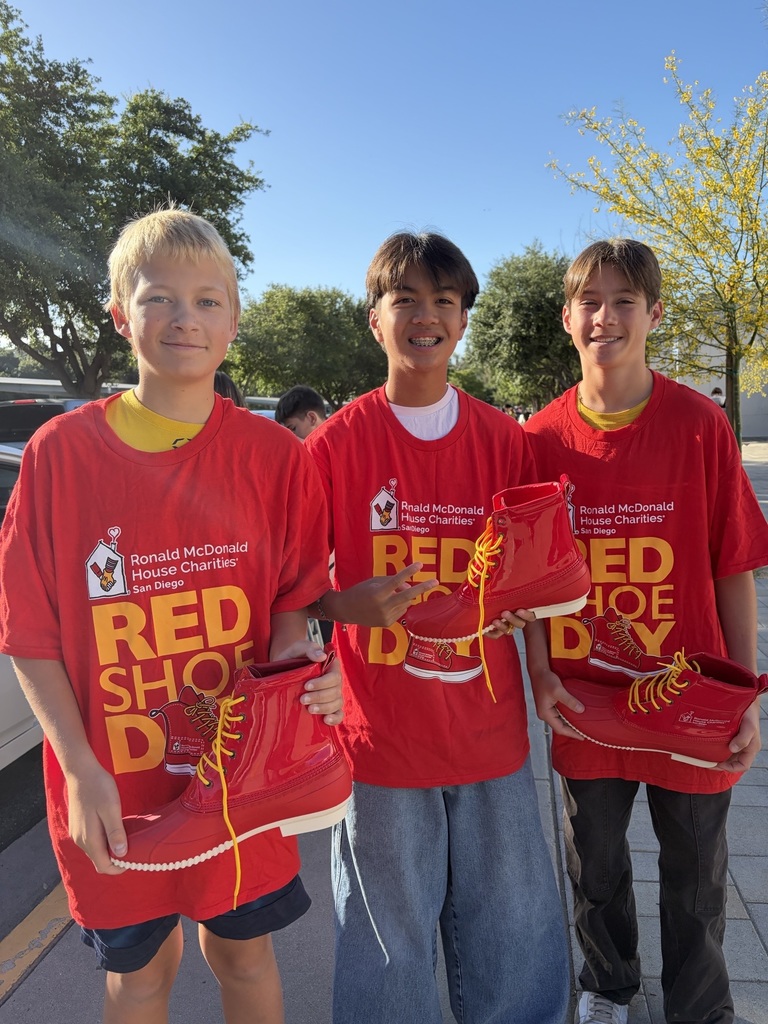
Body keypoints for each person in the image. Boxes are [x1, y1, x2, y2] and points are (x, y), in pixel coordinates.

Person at [0, 208, 343, 1024]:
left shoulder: (276, 459)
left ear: (234, 321)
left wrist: (304, 674)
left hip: (238, 780)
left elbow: (292, 608)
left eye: (207, 300)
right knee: (141, 976)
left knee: (244, 957)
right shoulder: (59, 455)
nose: (185, 318)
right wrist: (78, 765)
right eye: (159, 297)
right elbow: (28, 632)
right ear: (121, 315)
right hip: (113, 787)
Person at [303, 231, 570, 1024]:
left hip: (489, 732)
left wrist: (537, 655)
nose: (426, 316)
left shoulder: (505, 442)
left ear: (462, 322)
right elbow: (289, 588)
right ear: (375, 320)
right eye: (406, 300)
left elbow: (537, 578)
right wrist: (341, 605)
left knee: (513, 933)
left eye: (444, 301)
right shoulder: (333, 445)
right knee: (388, 942)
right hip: (380, 738)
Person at [524, 238, 768, 1024]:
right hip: (587, 699)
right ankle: (608, 987)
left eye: (624, 300)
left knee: (697, 874)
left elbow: (733, 566)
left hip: (688, 699)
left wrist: (745, 695)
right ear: (567, 318)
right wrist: (540, 672)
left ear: (654, 313)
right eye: (590, 302)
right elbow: (529, 586)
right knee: (595, 867)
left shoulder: (700, 426)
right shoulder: (540, 440)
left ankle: (701, 1009)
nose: (606, 316)